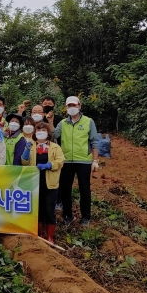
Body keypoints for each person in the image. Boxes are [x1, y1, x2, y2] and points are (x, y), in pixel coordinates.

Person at [53, 96, 100, 226]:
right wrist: (50, 121)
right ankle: (68, 215)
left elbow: (94, 141)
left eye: (74, 105)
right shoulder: (62, 123)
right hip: (66, 161)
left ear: (79, 106)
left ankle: (86, 216)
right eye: (69, 106)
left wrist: (95, 160)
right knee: (65, 189)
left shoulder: (88, 121)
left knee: (84, 188)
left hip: (83, 161)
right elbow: (53, 135)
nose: (72, 108)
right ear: (66, 108)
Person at [21, 122, 65, 243]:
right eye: (38, 129)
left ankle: (50, 235)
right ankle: (40, 232)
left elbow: (60, 161)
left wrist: (49, 165)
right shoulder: (31, 145)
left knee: (49, 208)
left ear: (48, 132)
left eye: (44, 129)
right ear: (35, 133)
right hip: (35, 183)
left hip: (50, 183)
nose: (41, 132)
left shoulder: (55, 147)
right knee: (38, 208)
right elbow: (24, 163)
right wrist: (26, 151)